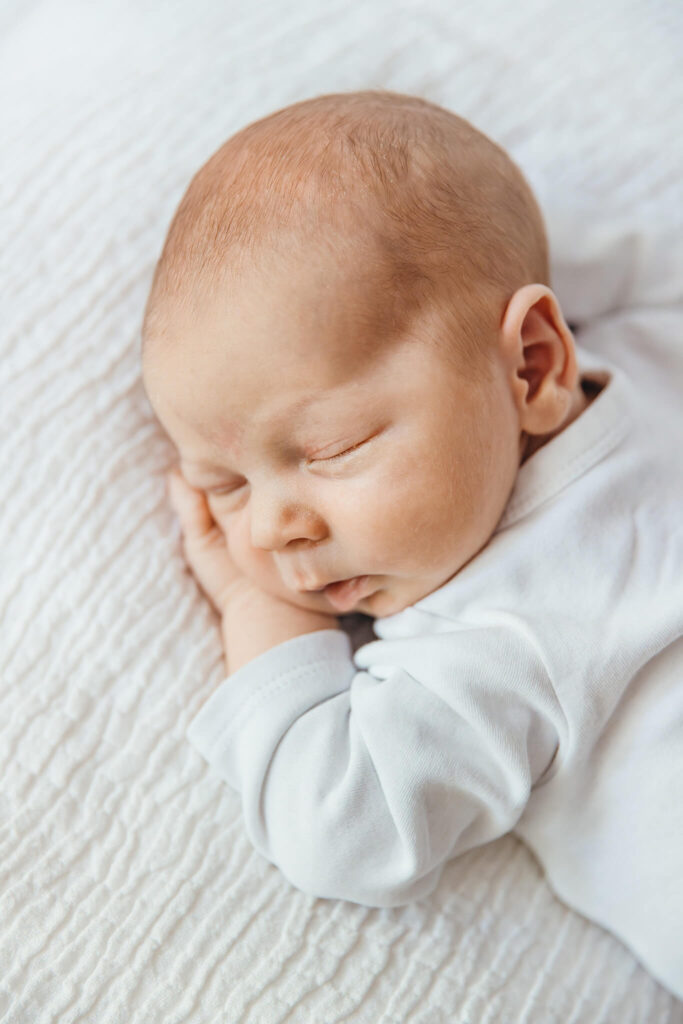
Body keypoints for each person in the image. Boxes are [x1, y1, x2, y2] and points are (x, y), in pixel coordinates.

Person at [140, 90, 683, 998]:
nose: (274, 530)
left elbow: (338, 828)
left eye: (329, 450)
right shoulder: (645, 353)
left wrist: (255, 610)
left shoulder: (502, 634)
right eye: (225, 486)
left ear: (533, 364)